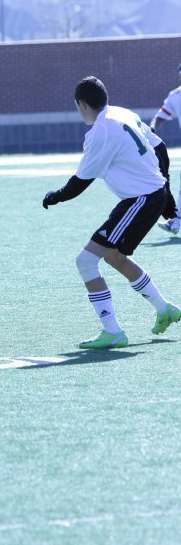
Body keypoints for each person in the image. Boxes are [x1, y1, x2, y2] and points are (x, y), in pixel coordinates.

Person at [42, 76, 180, 349]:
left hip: (139, 200)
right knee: (115, 257)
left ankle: (112, 330)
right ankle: (164, 308)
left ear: (82, 104)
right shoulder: (122, 113)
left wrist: (54, 196)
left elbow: (79, 183)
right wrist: (164, 187)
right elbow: (160, 146)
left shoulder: (100, 132)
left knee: (86, 261)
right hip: (147, 197)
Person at [150, 62, 181, 234]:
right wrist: (152, 130)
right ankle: (176, 221)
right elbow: (161, 115)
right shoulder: (175, 96)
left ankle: (176, 221)